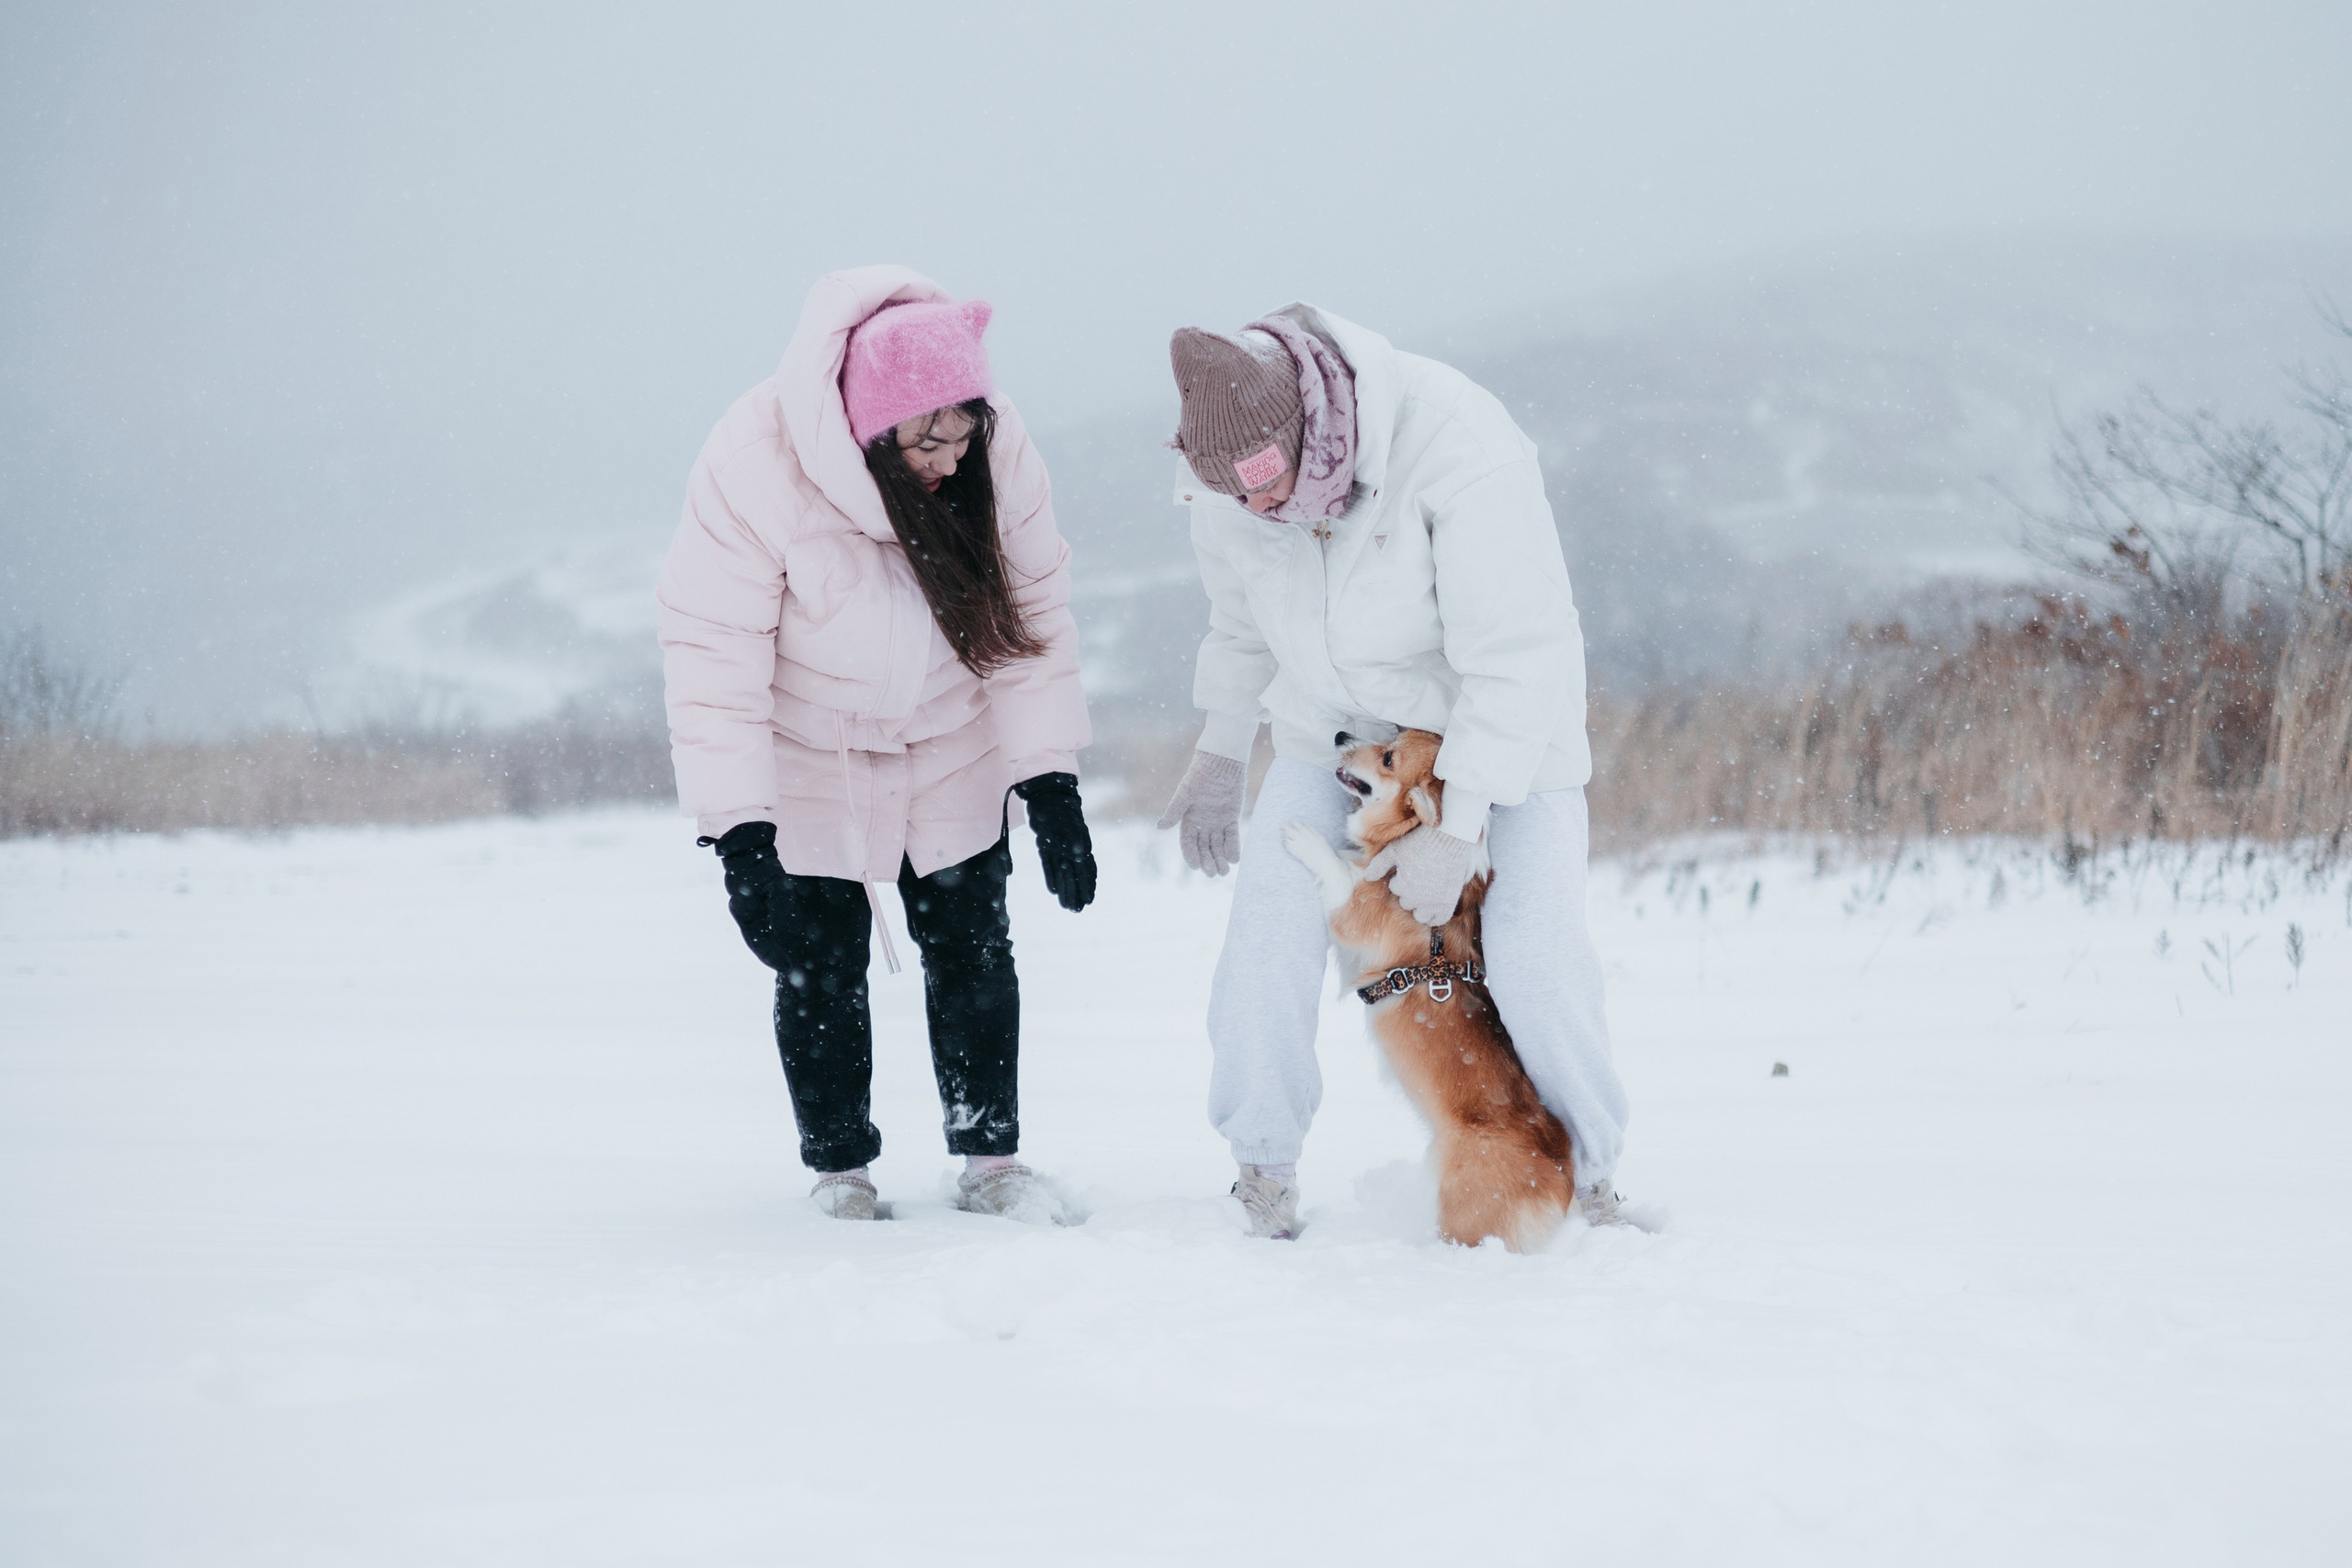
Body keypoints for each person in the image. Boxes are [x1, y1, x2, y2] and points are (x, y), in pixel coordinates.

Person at [1155, 305, 1630, 1240]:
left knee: (1531, 955)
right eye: (1234, 499)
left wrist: (1459, 828)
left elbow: (1518, 657)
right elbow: (1241, 624)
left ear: (1311, 432)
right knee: (1265, 937)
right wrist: (1219, 748)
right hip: (1333, 737)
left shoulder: (1456, 443)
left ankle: (1593, 1177)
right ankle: (1262, 1166)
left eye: (1268, 490)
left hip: (1501, 739)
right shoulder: (1221, 476)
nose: (1254, 513)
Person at [658, 265, 1095, 1224]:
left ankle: (992, 1165)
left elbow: (1032, 620)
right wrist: (738, 833)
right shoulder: (752, 463)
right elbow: (713, 657)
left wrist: (1050, 778)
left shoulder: (995, 448)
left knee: (973, 944)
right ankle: (841, 1175)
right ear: (865, 423)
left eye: (963, 428)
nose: (949, 455)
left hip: (952, 731)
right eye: (923, 437)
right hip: (809, 744)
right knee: (818, 960)